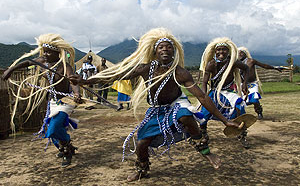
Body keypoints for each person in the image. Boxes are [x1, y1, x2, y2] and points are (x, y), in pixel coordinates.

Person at [69, 28, 241, 181]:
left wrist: (225, 121)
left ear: (174, 52)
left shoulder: (179, 72)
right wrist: (85, 80)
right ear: (155, 51)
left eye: (169, 47)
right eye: (161, 47)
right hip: (156, 111)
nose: (165, 49)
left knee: (186, 115)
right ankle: (142, 168)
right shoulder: (145, 68)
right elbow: (115, 75)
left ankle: (203, 149)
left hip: (175, 105)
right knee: (142, 144)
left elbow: (202, 97)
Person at [2, 33, 82, 167]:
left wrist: (77, 94)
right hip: (52, 101)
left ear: (57, 53)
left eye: (49, 52)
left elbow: (73, 81)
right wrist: (11, 69)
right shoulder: (43, 62)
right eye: (44, 51)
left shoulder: (64, 66)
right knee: (50, 132)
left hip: (66, 101)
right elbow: (28, 62)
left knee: (53, 128)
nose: (45, 54)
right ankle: (67, 148)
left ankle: (67, 150)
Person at [198, 37, 250, 149]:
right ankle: (203, 134)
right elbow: (204, 82)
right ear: (215, 51)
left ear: (229, 51)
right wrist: (203, 96)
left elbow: (246, 69)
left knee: (239, 106)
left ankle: (242, 134)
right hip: (214, 92)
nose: (221, 52)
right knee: (204, 114)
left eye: (224, 49)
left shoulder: (233, 62)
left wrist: (244, 84)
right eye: (219, 50)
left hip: (229, 92)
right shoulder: (211, 64)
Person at [238, 46, 282, 120]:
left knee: (254, 99)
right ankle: (240, 116)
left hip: (252, 84)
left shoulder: (251, 61)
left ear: (245, 54)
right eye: (238, 53)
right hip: (241, 85)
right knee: (240, 102)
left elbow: (264, 65)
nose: (240, 54)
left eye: (241, 53)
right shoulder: (236, 63)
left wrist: (275, 68)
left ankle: (259, 112)